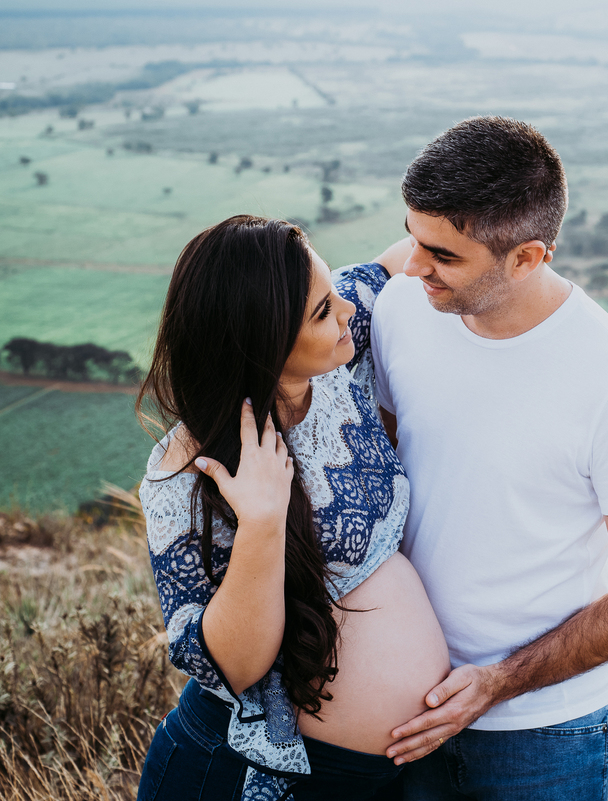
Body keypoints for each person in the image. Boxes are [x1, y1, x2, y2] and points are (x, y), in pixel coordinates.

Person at [370, 116, 608, 800]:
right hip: (401, 706)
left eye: (444, 256)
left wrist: (496, 682)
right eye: (413, 238)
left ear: (528, 257)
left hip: (541, 733)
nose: (413, 265)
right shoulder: (402, 308)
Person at [133, 215, 449, 801]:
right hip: (247, 777)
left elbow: (409, 251)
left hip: (376, 779)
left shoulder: (332, 359)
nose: (347, 309)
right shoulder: (190, 474)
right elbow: (235, 666)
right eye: (323, 311)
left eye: (331, 292)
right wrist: (260, 521)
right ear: (262, 340)